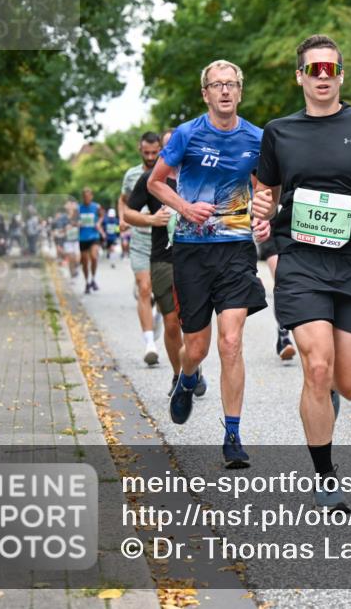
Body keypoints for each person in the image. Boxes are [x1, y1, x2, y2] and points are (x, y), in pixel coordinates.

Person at [253, 35, 351, 510]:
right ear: (299, 76)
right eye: (313, 69)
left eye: (331, 70)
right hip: (302, 262)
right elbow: (266, 193)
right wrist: (261, 204)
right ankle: (325, 475)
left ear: (341, 75)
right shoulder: (279, 132)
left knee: (349, 383)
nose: (323, 77)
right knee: (316, 365)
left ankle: (329, 398)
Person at [148, 60, 268, 470]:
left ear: (240, 91)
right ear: (205, 94)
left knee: (231, 342)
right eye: (216, 85)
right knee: (196, 346)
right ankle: (186, 378)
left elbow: (265, 188)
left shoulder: (257, 138)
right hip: (192, 250)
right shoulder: (186, 134)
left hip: (235, 248)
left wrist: (265, 213)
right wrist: (184, 207)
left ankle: (232, 434)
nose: (224, 91)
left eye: (231, 84)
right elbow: (156, 182)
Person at [124, 128, 209, 400]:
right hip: (163, 259)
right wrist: (151, 220)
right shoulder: (151, 179)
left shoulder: (199, 175)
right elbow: (128, 213)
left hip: (197, 258)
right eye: (168, 147)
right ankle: (178, 374)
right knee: (172, 322)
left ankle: (192, 367)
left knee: (193, 322)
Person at [120, 132, 163, 366]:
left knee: (161, 293)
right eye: (145, 153)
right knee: (144, 288)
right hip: (140, 240)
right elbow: (124, 201)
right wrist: (123, 218)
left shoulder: (169, 173)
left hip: (163, 243)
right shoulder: (133, 175)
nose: (149, 157)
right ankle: (149, 343)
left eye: (154, 153)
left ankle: (156, 315)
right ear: (140, 149)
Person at [256, 233, 296, 360]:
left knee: (295, 285)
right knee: (281, 281)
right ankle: (284, 335)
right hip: (271, 230)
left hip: (296, 231)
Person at [78, 187, 106, 293]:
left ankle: (93, 278)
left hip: (94, 236)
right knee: (85, 261)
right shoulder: (78, 208)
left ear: (92, 196)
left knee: (94, 257)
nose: (86, 198)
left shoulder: (96, 206)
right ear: (83, 197)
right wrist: (77, 223)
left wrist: (99, 222)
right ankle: (87, 282)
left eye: (88, 196)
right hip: (82, 237)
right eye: (85, 197)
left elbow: (102, 215)